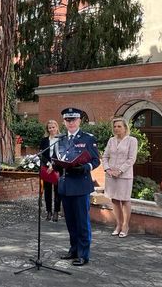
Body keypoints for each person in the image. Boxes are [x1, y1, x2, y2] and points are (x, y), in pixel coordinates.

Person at [54, 107, 100, 267]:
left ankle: (83, 254)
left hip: (80, 186)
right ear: (64, 122)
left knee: (82, 222)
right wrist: (56, 166)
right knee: (70, 222)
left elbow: (95, 160)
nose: (71, 122)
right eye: (68, 120)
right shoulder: (60, 139)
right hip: (65, 185)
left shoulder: (88, 138)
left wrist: (85, 167)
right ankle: (73, 249)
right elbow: (57, 158)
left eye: (73, 119)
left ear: (80, 120)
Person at [103, 117, 137, 238]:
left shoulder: (132, 140)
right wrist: (107, 169)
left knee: (125, 200)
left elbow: (131, 159)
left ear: (125, 128)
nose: (116, 129)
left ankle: (125, 225)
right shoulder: (111, 140)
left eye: (119, 126)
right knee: (115, 200)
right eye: (115, 127)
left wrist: (120, 171)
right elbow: (105, 156)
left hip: (125, 175)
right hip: (111, 175)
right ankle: (118, 224)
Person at [39, 119, 62, 222]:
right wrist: (48, 164)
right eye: (49, 128)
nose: (52, 129)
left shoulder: (61, 139)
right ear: (47, 129)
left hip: (57, 167)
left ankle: (56, 211)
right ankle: (49, 211)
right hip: (47, 168)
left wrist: (53, 165)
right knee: (47, 191)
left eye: (53, 127)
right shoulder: (44, 140)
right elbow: (42, 155)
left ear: (57, 127)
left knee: (58, 191)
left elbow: (62, 154)